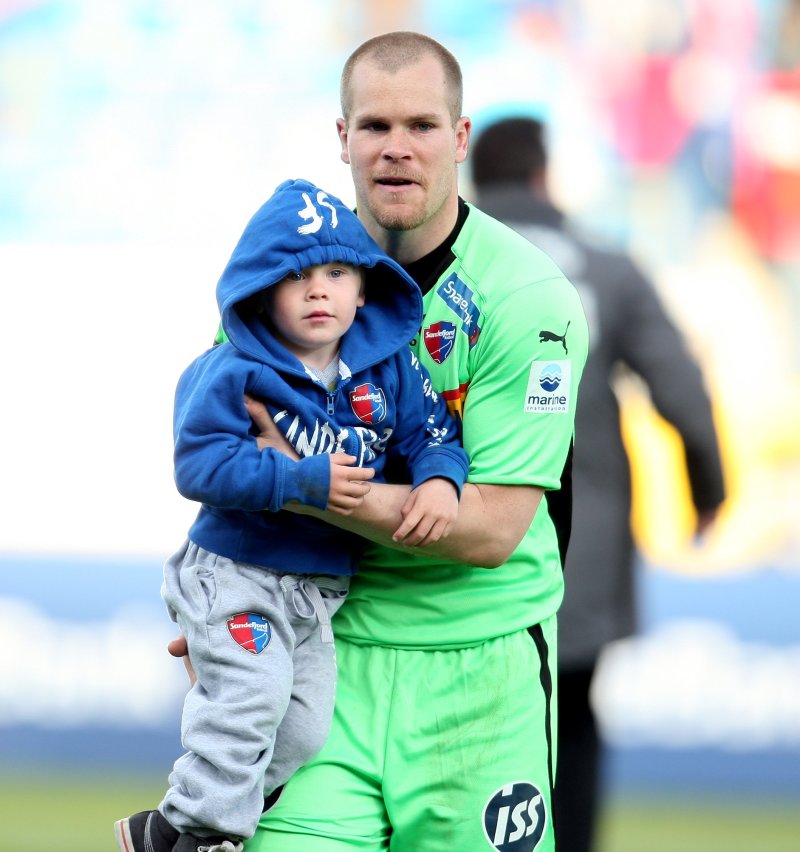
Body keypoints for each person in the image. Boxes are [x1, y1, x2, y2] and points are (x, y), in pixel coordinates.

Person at [171, 32, 587, 852]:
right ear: (343, 138)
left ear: (460, 138)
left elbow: (491, 528)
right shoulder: (279, 286)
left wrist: (314, 483)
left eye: (423, 126)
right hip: (321, 648)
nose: (396, 149)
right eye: (375, 127)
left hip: (482, 669)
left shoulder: (525, 294)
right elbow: (224, 459)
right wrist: (221, 604)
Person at [116, 177, 469, 852]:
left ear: (364, 286)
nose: (318, 290)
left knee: (302, 728)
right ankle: (209, 837)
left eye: (337, 272)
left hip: (318, 590)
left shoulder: (387, 365)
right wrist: (296, 478)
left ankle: (167, 830)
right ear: (261, 289)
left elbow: (432, 436)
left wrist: (440, 482)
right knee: (251, 700)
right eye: (296, 275)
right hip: (236, 570)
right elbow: (198, 467)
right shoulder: (232, 370)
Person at [470, 116, 726, 852]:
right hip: (578, 547)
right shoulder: (609, 267)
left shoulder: (447, 271)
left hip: (459, 548)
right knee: (572, 720)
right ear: (545, 176)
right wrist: (710, 492)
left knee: (466, 727)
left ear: (473, 180)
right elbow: (681, 391)